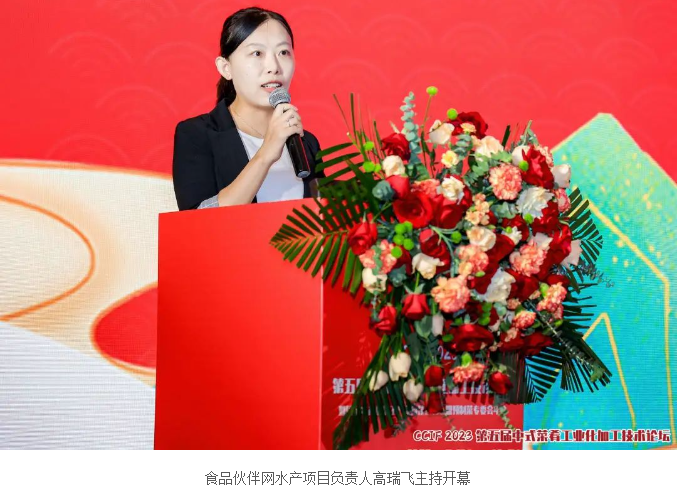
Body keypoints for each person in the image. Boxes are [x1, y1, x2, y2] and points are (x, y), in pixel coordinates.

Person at [172, 7, 325, 211]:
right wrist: (266, 153)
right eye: (257, 53)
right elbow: (196, 221)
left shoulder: (306, 143)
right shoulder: (197, 134)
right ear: (226, 68)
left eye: (283, 52)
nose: (273, 67)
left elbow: (321, 218)